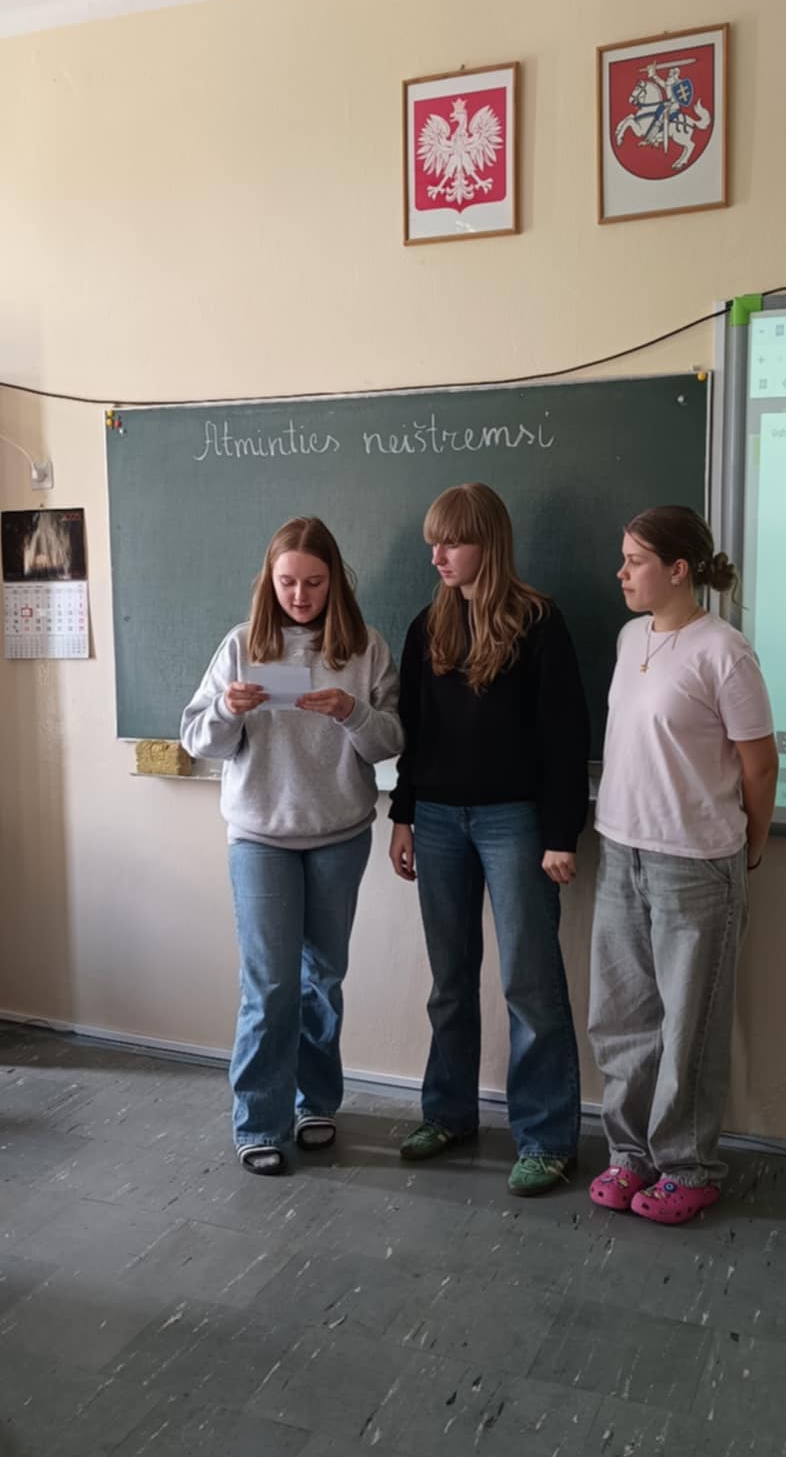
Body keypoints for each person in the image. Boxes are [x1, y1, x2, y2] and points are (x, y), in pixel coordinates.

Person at [181, 517, 402, 1174]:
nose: (300, 596)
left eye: (313, 582)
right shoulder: (242, 645)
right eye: (287, 583)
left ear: (336, 581)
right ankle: (259, 1122)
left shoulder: (366, 648)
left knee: (322, 980)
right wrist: (229, 710)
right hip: (261, 837)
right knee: (270, 985)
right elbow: (198, 740)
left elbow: (391, 742)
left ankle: (315, 1104)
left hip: (339, 833)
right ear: (268, 582)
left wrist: (352, 713)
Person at [388, 482, 589, 1197]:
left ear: (489, 543)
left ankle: (546, 1138)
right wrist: (403, 816)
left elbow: (566, 737)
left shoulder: (539, 622)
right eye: (434, 544)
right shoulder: (427, 627)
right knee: (450, 979)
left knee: (528, 982)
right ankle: (448, 1114)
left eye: (453, 542)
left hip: (516, 822)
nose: (438, 556)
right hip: (439, 819)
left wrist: (561, 833)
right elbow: (413, 733)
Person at [587, 505, 779, 1225]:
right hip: (620, 849)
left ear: (677, 570)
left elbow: (760, 766)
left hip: (695, 862)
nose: (621, 572)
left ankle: (687, 1167)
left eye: (635, 561)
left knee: (688, 1025)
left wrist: (751, 845)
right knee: (621, 1018)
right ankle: (630, 1155)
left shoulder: (725, 652)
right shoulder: (629, 637)